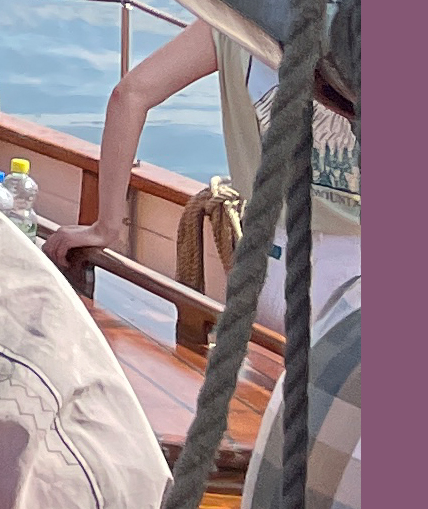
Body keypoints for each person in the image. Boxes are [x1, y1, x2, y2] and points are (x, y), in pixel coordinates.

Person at [40, 18, 359, 329]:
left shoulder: (229, 17)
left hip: (270, 263)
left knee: (270, 380)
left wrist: (106, 226)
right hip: (354, 271)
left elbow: (129, 94)